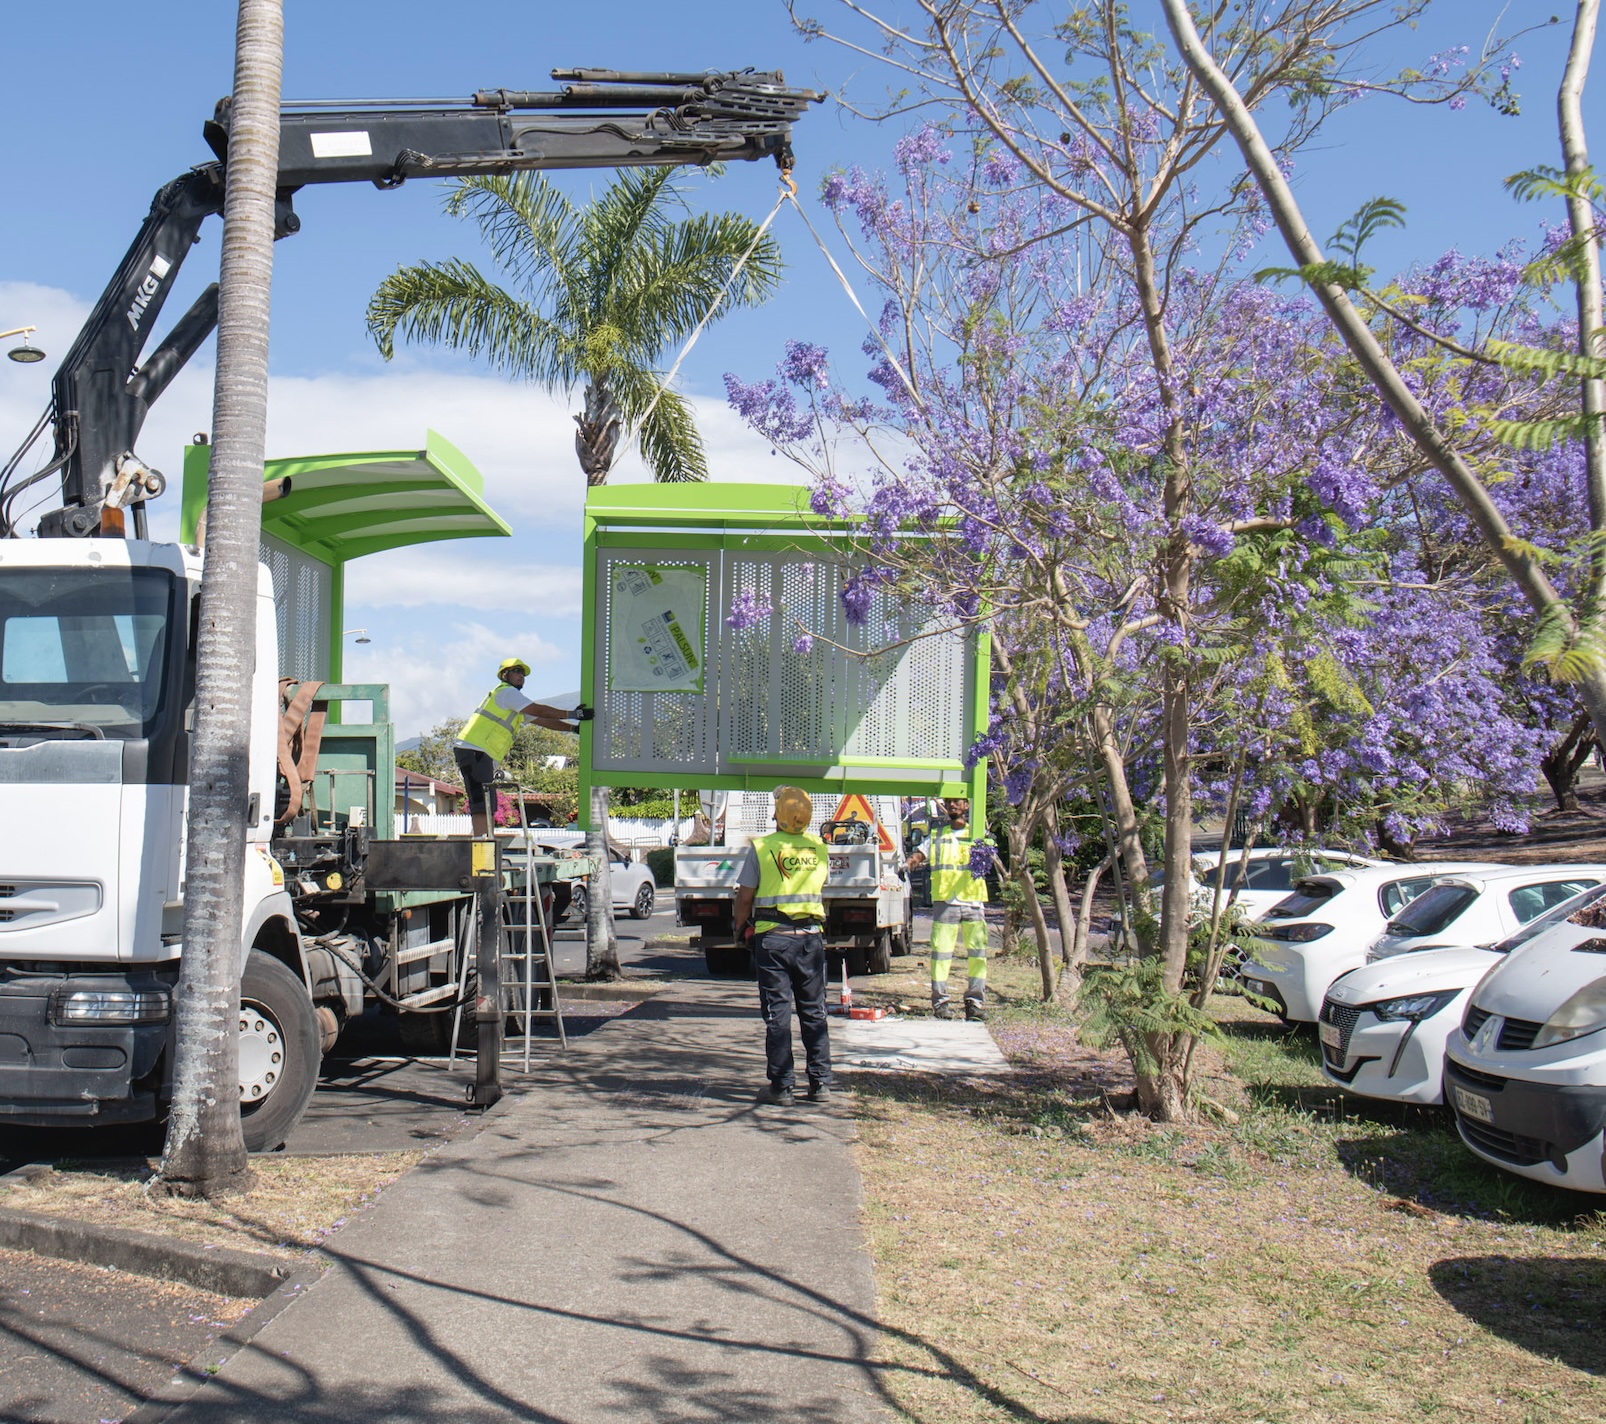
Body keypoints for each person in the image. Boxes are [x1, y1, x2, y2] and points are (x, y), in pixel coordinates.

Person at [732, 785, 832, 1107]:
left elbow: (745, 896)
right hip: (810, 939)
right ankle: (820, 1085)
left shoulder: (762, 847)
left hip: (773, 940)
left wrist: (738, 928)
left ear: (777, 813)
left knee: (778, 1013)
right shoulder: (818, 847)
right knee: (814, 1011)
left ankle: (782, 1087)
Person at [454, 657, 590, 837]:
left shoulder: (514, 704)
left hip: (479, 751)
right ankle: (481, 844)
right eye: (516, 671)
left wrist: (572, 727)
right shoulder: (507, 693)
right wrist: (573, 713)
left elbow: (543, 720)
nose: (521, 676)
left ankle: (484, 841)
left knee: (487, 802)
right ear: (504, 675)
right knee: (482, 802)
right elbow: (539, 710)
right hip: (474, 749)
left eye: (523, 673)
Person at [906, 796, 991, 1020]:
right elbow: (919, 854)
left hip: (972, 900)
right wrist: (907, 865)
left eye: (958, 801)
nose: (953, 805)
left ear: (967, 805)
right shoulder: (936, 836)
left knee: (977, 955)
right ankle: (941, 1003)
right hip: (946, 901)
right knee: (941, 954)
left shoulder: (977, 835)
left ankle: (975, 1003)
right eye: (949, 801)